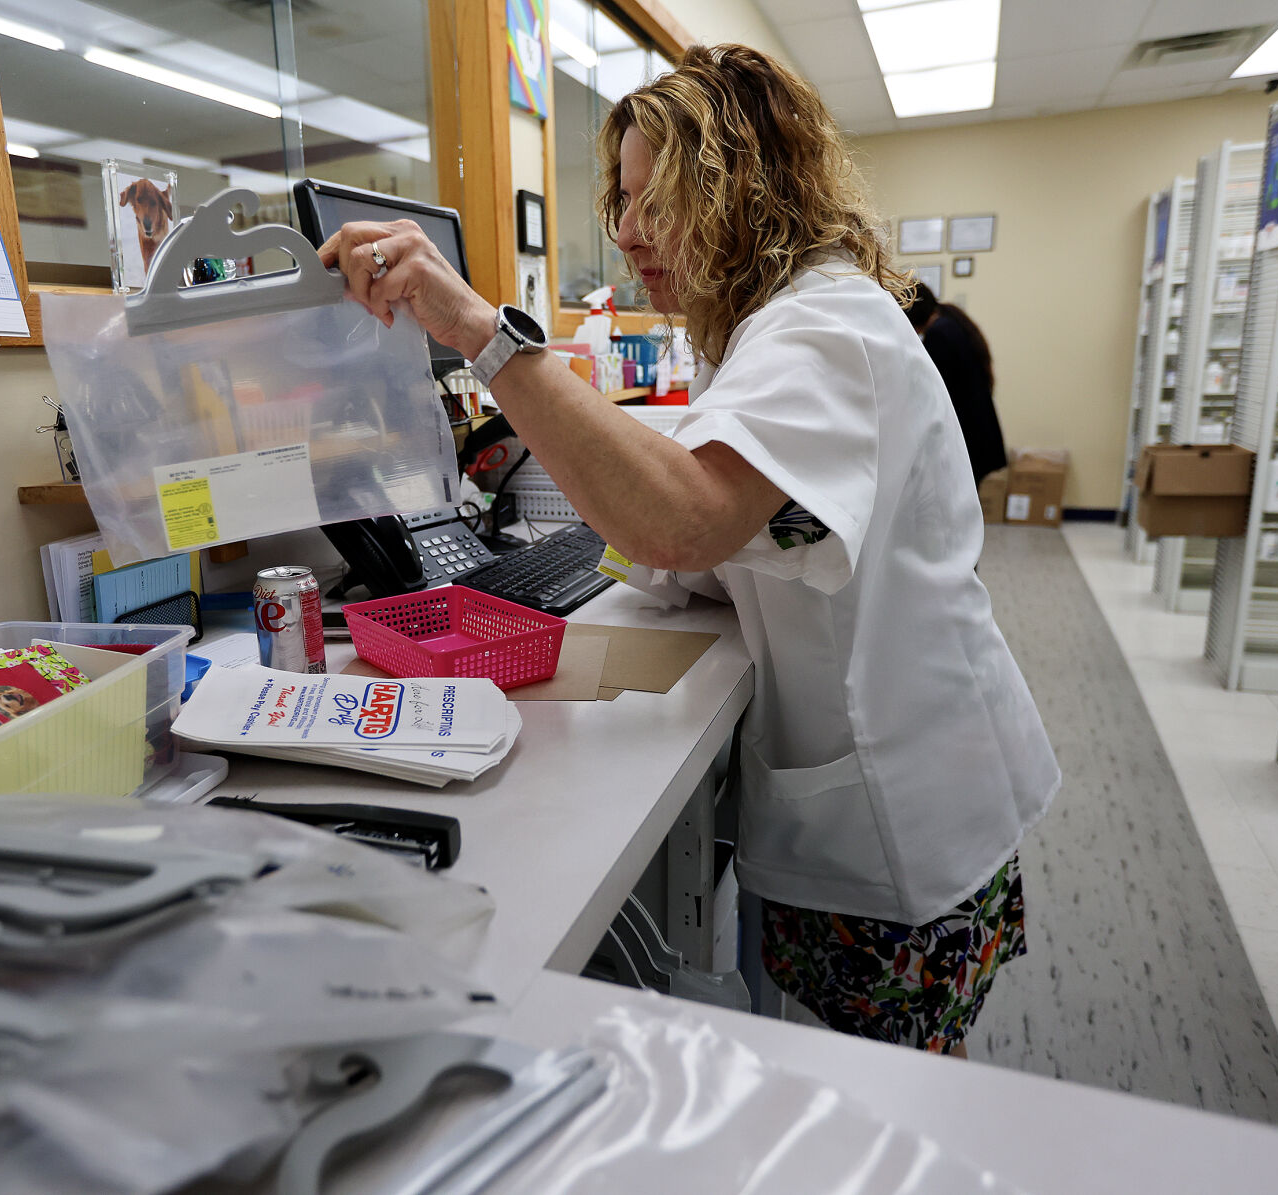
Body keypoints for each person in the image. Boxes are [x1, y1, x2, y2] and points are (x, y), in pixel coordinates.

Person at [317, 44, 1060, 1056]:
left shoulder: (824, 326)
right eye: (619, 203)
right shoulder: (763, 330)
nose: (625, 233)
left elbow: (684, 519)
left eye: (654, 201)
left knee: (891, 1111)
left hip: (901, 817)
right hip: (906, 779)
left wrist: (478, 331)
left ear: (745, 190)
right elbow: (725, 532)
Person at [906, 283, 1007, 484]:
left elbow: (934, 390)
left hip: (968, 436)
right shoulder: (950, 322)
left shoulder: (939, 334)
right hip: (978, 432)